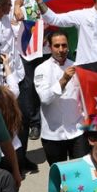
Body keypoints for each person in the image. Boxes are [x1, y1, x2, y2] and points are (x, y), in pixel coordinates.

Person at [34, 31, 86, 165]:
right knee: (59, 178)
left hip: (77, 131)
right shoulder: (41, 69)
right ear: (50, 47)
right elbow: (45, 98)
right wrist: (64, 80)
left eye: (64, 45)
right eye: (57, 46)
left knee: (81, 173)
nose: (61, 50)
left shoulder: (77, 66)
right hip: (53, 134)